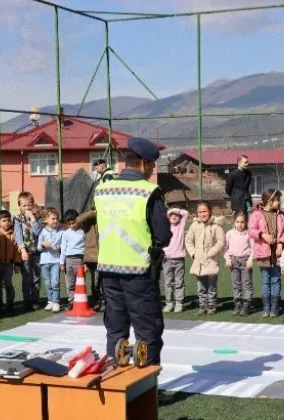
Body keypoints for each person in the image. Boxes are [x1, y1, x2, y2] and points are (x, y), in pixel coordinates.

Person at [94, 137, 172, 383]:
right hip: (138, 271)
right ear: (144, 163)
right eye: (152, 165)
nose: (153, 170)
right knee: (147, 331)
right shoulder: (148, 192)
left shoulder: (103, 189)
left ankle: (116, 385)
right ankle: (146, 390)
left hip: (108, 269)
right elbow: (163, 235)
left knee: (115, 330)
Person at [249, 189, 284, 318]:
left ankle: (275, 307)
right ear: (269, 201)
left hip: (276, 254)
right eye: (277, 200)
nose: (279, 202)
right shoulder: (256, 214)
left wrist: (281, 244)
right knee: (265, 280)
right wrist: (263, 235)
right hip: (263, 253)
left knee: (276, 280)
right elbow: (251, 231)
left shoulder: (281, 215)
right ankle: (266, 307)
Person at [185, 201, 225, 315]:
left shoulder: (216, 226)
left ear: (210, 212)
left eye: (205, 211)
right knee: (201, 286)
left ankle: (211, 305)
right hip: (198, 261)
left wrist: (210, 253)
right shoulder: (194, 225)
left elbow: (221, 242)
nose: (203, 214)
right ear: (197, 213)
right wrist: (193, 254)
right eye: (200, 212)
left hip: (211, 261)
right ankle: (202, 306)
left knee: (211, 286)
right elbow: (188, 241)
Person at [13, 192, 43, 310]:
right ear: (20, 206)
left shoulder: (37, 218)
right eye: (24, 206)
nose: (27, 208)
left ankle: (35, 300)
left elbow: (38, 232)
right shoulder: (17, 219)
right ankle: (27, 301)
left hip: (36, 252)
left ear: (33, 205)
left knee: (36, 278)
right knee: (27, 278)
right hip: (25, 252)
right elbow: (18, 235)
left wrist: (32, 219)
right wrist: (22, 250)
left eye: (29, 205)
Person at [224, 211, 254, 316]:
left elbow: (254, 249)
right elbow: (225, 249)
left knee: (246, 284)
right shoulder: (229, 234)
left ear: (246, 222)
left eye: (242, 222)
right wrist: (227, 259)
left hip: (246, 261)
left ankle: (246, 304)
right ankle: (237, 303)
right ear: (234, 221)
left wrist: (250, 260)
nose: (240, 224)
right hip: (234, 262)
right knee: (236, 284)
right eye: (237, 222)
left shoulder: (249, 234)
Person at [0, 210, 20, 313]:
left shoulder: (13, 234)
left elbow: (17, 250)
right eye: (4, 221)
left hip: (9, 264)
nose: (7, 222)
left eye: (8, 220)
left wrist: (17, 263)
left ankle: (10, 303)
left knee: (8, 284)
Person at [163, 207, 189, 313]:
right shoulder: (165, 226)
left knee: (179, 283)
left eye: (176, 215)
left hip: (179, 259)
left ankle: (179, 303)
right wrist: (169, 212)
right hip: (166, 259)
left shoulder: (181, 225)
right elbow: (164, 216)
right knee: (168, 283)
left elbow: (185, 213)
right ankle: (169, 303)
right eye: (171, 215)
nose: (174, 216)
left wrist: (174, 210)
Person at [37, 208, 64, 313]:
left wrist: (59, 247)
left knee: (55, 282)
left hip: (56, 261)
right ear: (46, 220)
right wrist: (43, 244)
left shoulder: (61, 231)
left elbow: (64, 245)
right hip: (44, 261)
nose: (55, 221)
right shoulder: (43, 232)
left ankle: (56, 302)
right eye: (53, 219)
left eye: (57, 219)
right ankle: (51, 301)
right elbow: (38, 247)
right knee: (48, 282)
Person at [77, 208, 103, 311]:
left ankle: (105, 301)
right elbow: (78, 220)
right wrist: (93, 213)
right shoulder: (89, 219)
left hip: (107, 255)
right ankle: (97, 301)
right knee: (95, 282)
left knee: (106, 282)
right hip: (93, 257)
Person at [60, 209, 85, 310]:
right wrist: (62, 263)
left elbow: (86, 246)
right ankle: (71, 301)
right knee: (70, 282)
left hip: (80, 259)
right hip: (68, 260)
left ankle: (81, 300)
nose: (72, 225)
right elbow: (63, 248)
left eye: (73, 222)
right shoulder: (65, 233)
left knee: (80, 282)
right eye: (69, 223)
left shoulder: (83, 232)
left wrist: (85, 262)